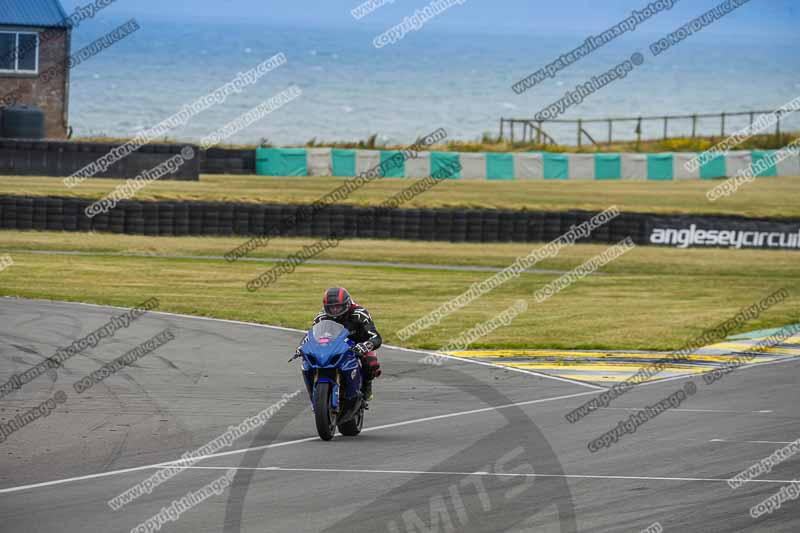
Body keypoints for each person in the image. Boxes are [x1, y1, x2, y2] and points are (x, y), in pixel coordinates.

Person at [295, 287, 382, 400]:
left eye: (338, 307)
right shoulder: (321, 317)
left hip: (359, 342)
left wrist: (365, 346)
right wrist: (301, 347)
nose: (335, 311)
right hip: (335, 343)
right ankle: (315, 392)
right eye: (331, 308)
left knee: (371, 364)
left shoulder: (360, 314)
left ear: (346, 304)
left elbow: (376, 337)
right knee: (308, 362)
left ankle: (366, 386)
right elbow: (310, 335)